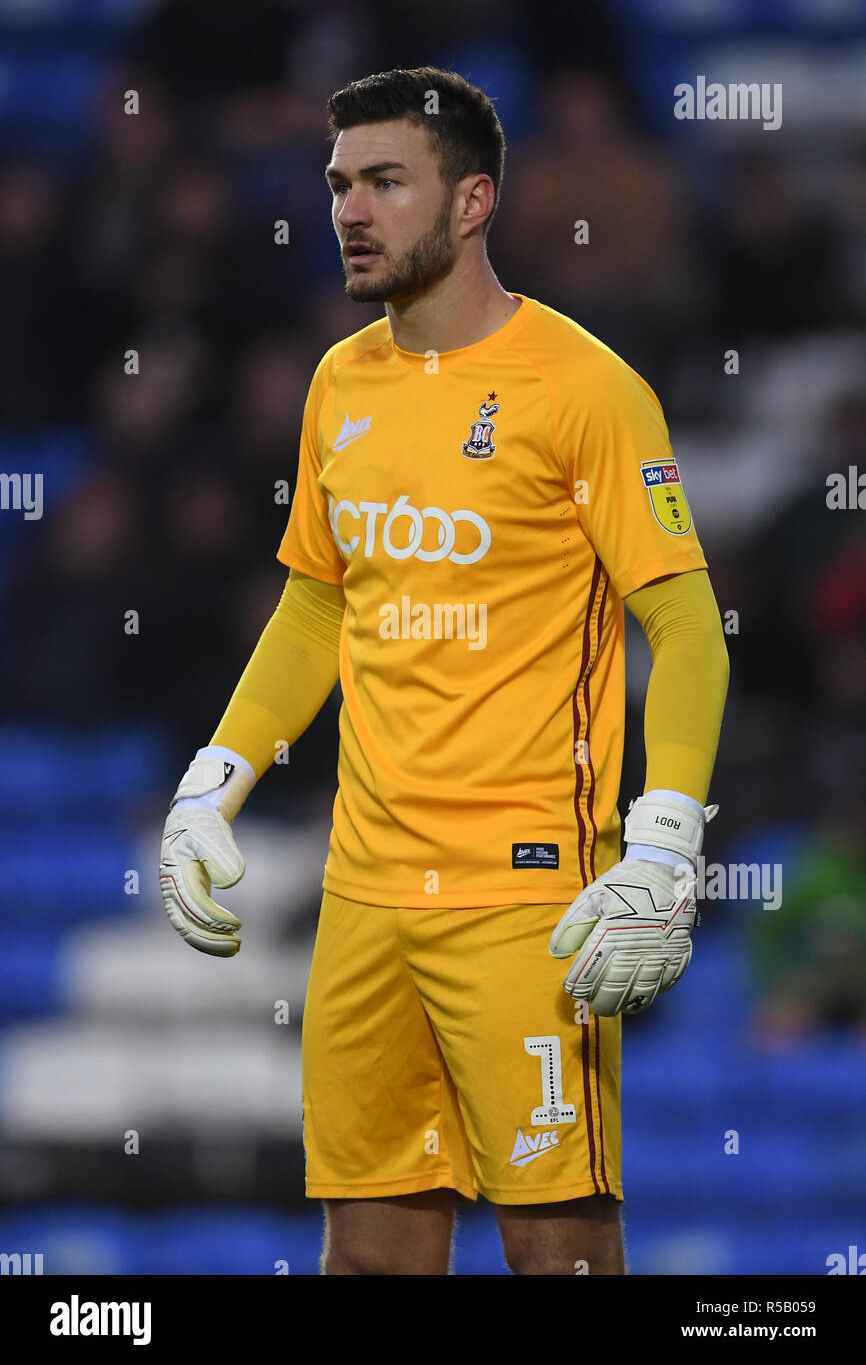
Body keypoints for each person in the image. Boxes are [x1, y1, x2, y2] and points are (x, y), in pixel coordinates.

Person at [159, 67, 729, 1275]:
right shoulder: (338, 383)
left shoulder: (585, 388)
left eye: (382, 182)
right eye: (335, 185)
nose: (348, 212)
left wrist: (665, 838)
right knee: (368, 1256)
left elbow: (684, 625)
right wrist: (212, 783)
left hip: (527, 892)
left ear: (471, 203)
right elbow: (318, 603)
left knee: (558, 1254)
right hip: (363, 894)